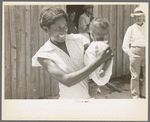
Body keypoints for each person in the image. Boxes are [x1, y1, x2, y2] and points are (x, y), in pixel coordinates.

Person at [32, 6, 113, 99]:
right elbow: (67, 80)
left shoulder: (79, 39)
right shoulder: (44, 54)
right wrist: (99, 60)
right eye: (58, 28)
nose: (63, 31)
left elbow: (98, 56)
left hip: (90, 98)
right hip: (69, 102)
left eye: (65, 26)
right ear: (46, 29)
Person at [84, 17, 113, 98]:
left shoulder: (93, 47)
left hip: (92, 78)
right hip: (102, 77)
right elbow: (109, 58)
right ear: (107, 34)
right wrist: (104, 69)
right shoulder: (106, 46)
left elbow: (90, 61)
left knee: (90, 96)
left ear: (91, 34)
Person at [122, 7, 146, 99]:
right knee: (135, 76)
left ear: (143, 17)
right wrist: (130, 53)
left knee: (146, 75)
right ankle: (135, 95)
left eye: (140, 16)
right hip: (135, 52)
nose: (138, 18)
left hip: (146, 52)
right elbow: (125, 43)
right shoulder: (131, 29)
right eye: (136, 17)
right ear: (134, 18)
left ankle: (144, 94)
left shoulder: (147, 27)